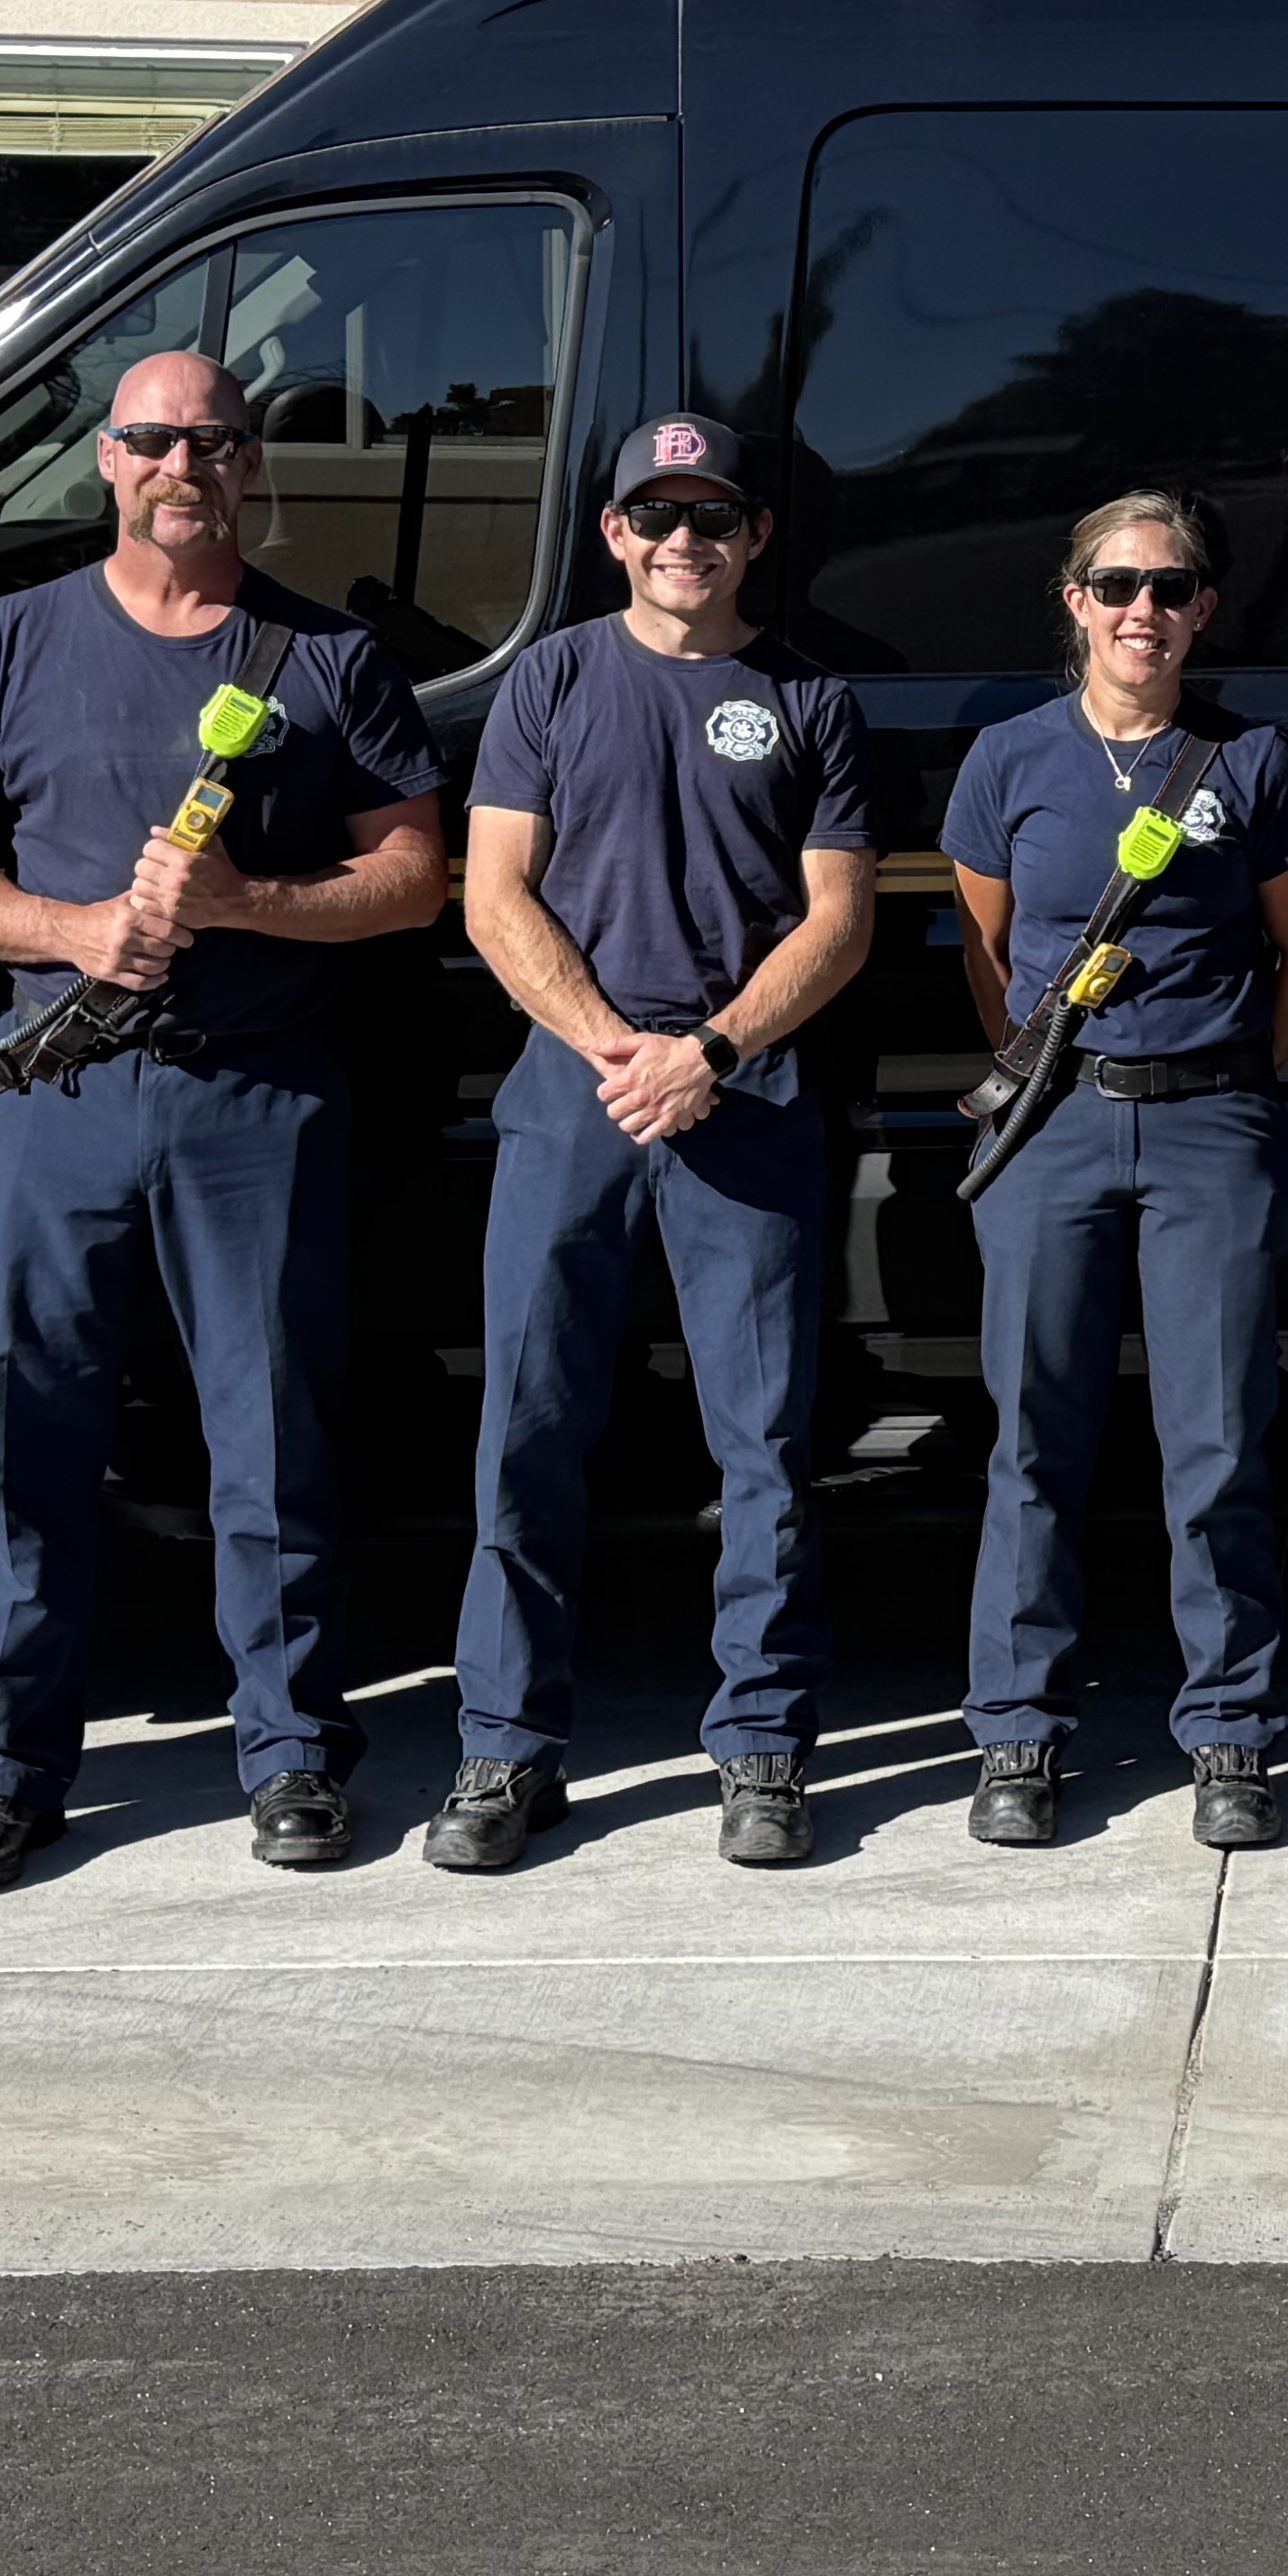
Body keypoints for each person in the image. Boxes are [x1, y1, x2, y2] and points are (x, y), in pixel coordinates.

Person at [0, 350, 447, 1890]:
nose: (180, 466)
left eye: (211, 441)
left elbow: (413, 874)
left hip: (255, 1102)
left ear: (248, 465)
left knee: (271, 1444)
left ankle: (289, 1755)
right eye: (151, 439)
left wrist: (245, 903)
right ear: (106, 460)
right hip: (56, 1093)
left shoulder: (328, 660)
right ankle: (6, 1771)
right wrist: (75, 931)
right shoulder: (9, 642)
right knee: (25, 1444)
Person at [434, 415, 877, 1875]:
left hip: (740, 1094)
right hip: (575, 1090)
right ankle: (505, 1751)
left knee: (762, 1446)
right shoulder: (552, 679)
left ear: (754, 535)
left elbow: (840, 919)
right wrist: (613, 1045)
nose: (683, 541)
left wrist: (710, 1052)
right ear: (615, 532)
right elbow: (495, 894)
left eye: (712, 517)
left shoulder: (808, 697)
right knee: (530, 1433)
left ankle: (761, 1747)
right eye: (654, 516)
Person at [943, 492, 1288, 1851]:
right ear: (1074, 600)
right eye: (1116, 586)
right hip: (1050, 1125)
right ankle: (1018, 1732)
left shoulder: (1256, 763)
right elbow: (988, 956)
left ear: (1205, 609)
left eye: (1171, 590)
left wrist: (1228, 1072)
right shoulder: (1007, 758)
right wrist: (1047, 1075)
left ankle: (1230, 1729)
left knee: (1217, 1438)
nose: (1143, 614)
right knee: (1034, 1436)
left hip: (1210, 1127)